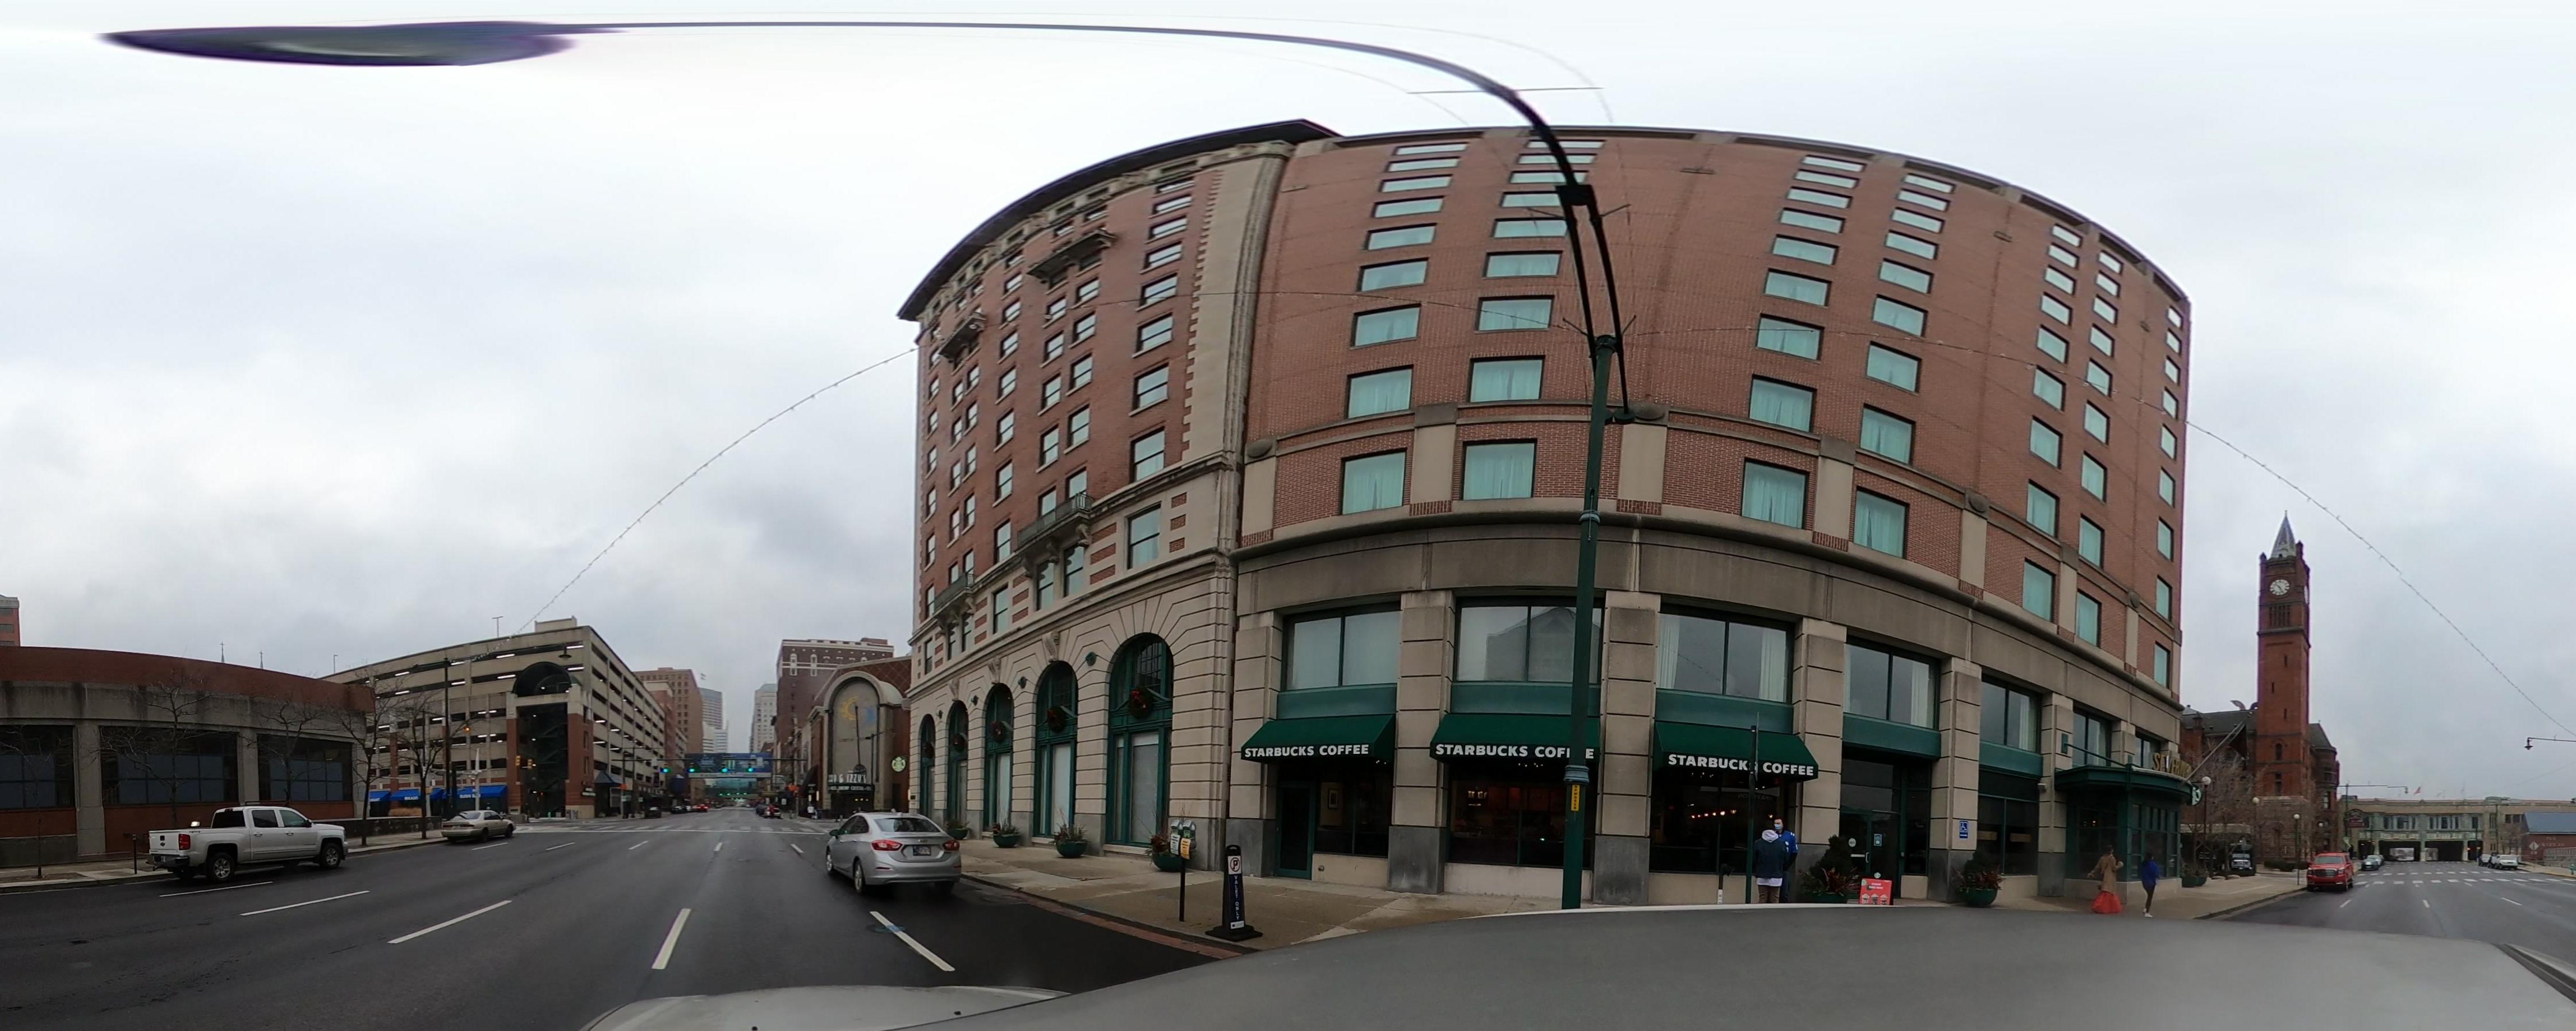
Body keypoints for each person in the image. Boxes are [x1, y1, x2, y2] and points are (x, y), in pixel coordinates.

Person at [1751, 828, 1792, 903]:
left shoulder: (1758, 843)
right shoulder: (1781, 844)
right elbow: (1786, 859)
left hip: (1762, 875)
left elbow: (1754, 859)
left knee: (1762, 898)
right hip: (1777, 875)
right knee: (1775, 899)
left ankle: (1762, 911)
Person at [2090, 846, 2125, 914]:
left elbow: (2097, 867)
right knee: (2110, 892)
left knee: (2105, 892)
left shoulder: (2102, 858)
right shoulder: (2112, 858)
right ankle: (2108, 908)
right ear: (2111, 851)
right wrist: (2120, 866)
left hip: (2104, 877)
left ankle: (2099, 906)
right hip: (2110, 877)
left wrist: (2092, 873)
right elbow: (2114, 868)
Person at [2139, 851, 2163, 917]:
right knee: (2150, 897)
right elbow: (2155, 872)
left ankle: (2146, 909)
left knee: (2149, 896)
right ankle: (2147, 911)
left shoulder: (2143, 864)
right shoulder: (2152, 864)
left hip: (2144, 881)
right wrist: (2158, 876)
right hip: (2151, 882)